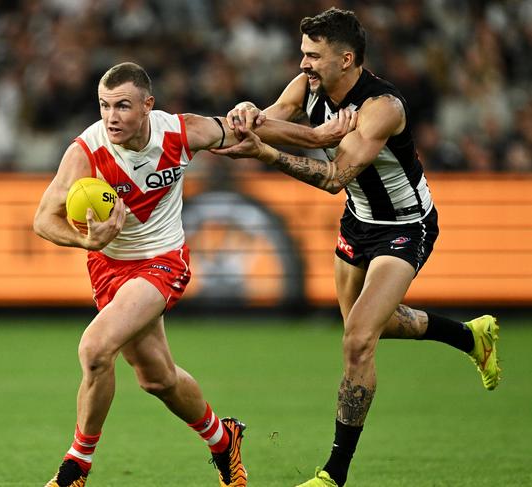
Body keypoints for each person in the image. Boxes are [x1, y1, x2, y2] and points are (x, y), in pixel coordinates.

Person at [214, 8, 501, 487]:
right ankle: (471, 336)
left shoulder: (382, 108)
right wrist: (249, 115)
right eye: (302, 53)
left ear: (346, 59)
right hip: (359, 220)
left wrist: (265, 151)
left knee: (357, 340)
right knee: (373, 325)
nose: (303, 64)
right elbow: (273, 118)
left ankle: (334, 474)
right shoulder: (309, 87)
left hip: (405, 226)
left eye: (313, 55)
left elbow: (333, 177)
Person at [33, 61, 348, 487]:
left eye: (122, 106)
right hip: (109, 267)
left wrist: (315, 136)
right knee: (157, 379)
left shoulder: (181, 132)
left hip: (163, 261)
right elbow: (43, 220)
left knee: (94, 349)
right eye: (104, 106)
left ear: (148, 105)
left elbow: (248, 131)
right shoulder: (86, 152)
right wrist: (87, 242)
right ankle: (223, 440)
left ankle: (76, 468)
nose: (111, 117)